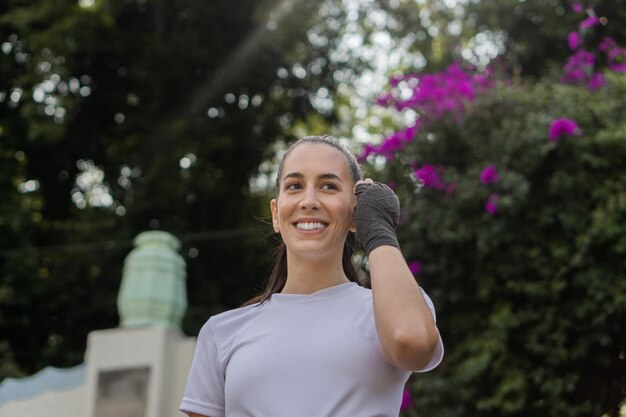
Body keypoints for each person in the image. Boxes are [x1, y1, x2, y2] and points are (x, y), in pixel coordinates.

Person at [179, 135, 443, 417]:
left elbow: (412, 343)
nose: (309, 201)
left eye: (328, 186)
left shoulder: (389, 309)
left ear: (355, 212)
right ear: (276, 214)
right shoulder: (221, 332)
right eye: (294, 186)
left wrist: (378, 229)